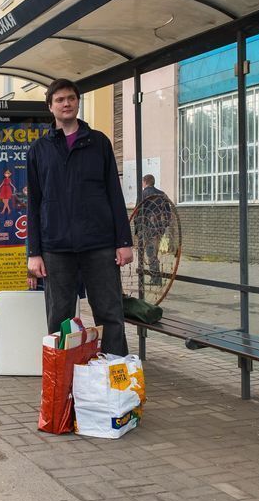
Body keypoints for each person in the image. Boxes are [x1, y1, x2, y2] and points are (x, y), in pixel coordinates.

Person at [26, 78, 133, 356]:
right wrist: (34, 252)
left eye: (71, 98)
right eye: (59, 100)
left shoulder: (98, 142)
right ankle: (62, 380)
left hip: (99, 244)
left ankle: (114, 375)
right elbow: (34, 204)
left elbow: (114, 193)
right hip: (56, 247)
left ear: (77, 102)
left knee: (110, 314)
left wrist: (123, 241)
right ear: (50, 107)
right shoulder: (38, 151)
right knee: (59, 319)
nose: (66, 103)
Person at [136, 175, 174, 286]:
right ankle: (156, 277)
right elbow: (168, 212)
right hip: (159, 228)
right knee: (155, 252)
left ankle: (156, 279)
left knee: (151, 253)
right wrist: (164, 225)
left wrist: (138, 230)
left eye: (142, 182)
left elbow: (138, 211)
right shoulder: (162, 194)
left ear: (145, 182)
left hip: (148, 228)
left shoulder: (143, 194)